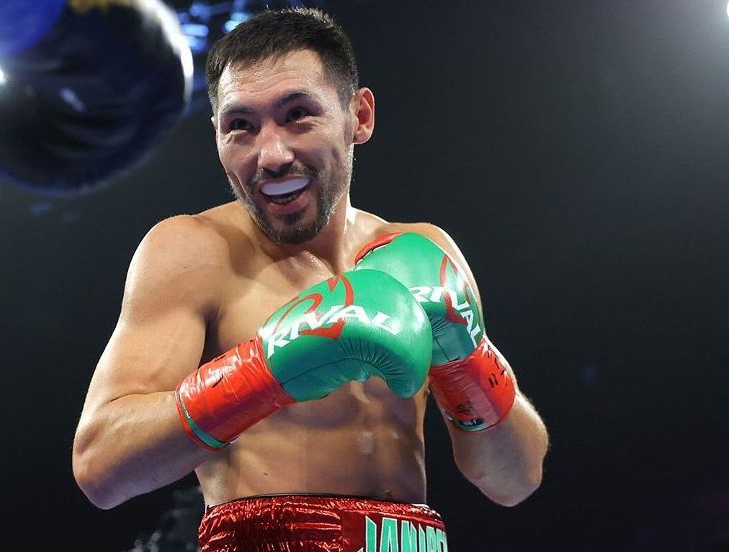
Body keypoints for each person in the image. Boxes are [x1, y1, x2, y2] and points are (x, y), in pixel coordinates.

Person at [72, 7, 549, 550]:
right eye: (240, 126)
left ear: (358, 117)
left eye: (298, 115)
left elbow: (515, 479)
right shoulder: (195, 251)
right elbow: (101, 468)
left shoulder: (425, 251)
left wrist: (468, 358)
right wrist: (265, 371)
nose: (271, 155)